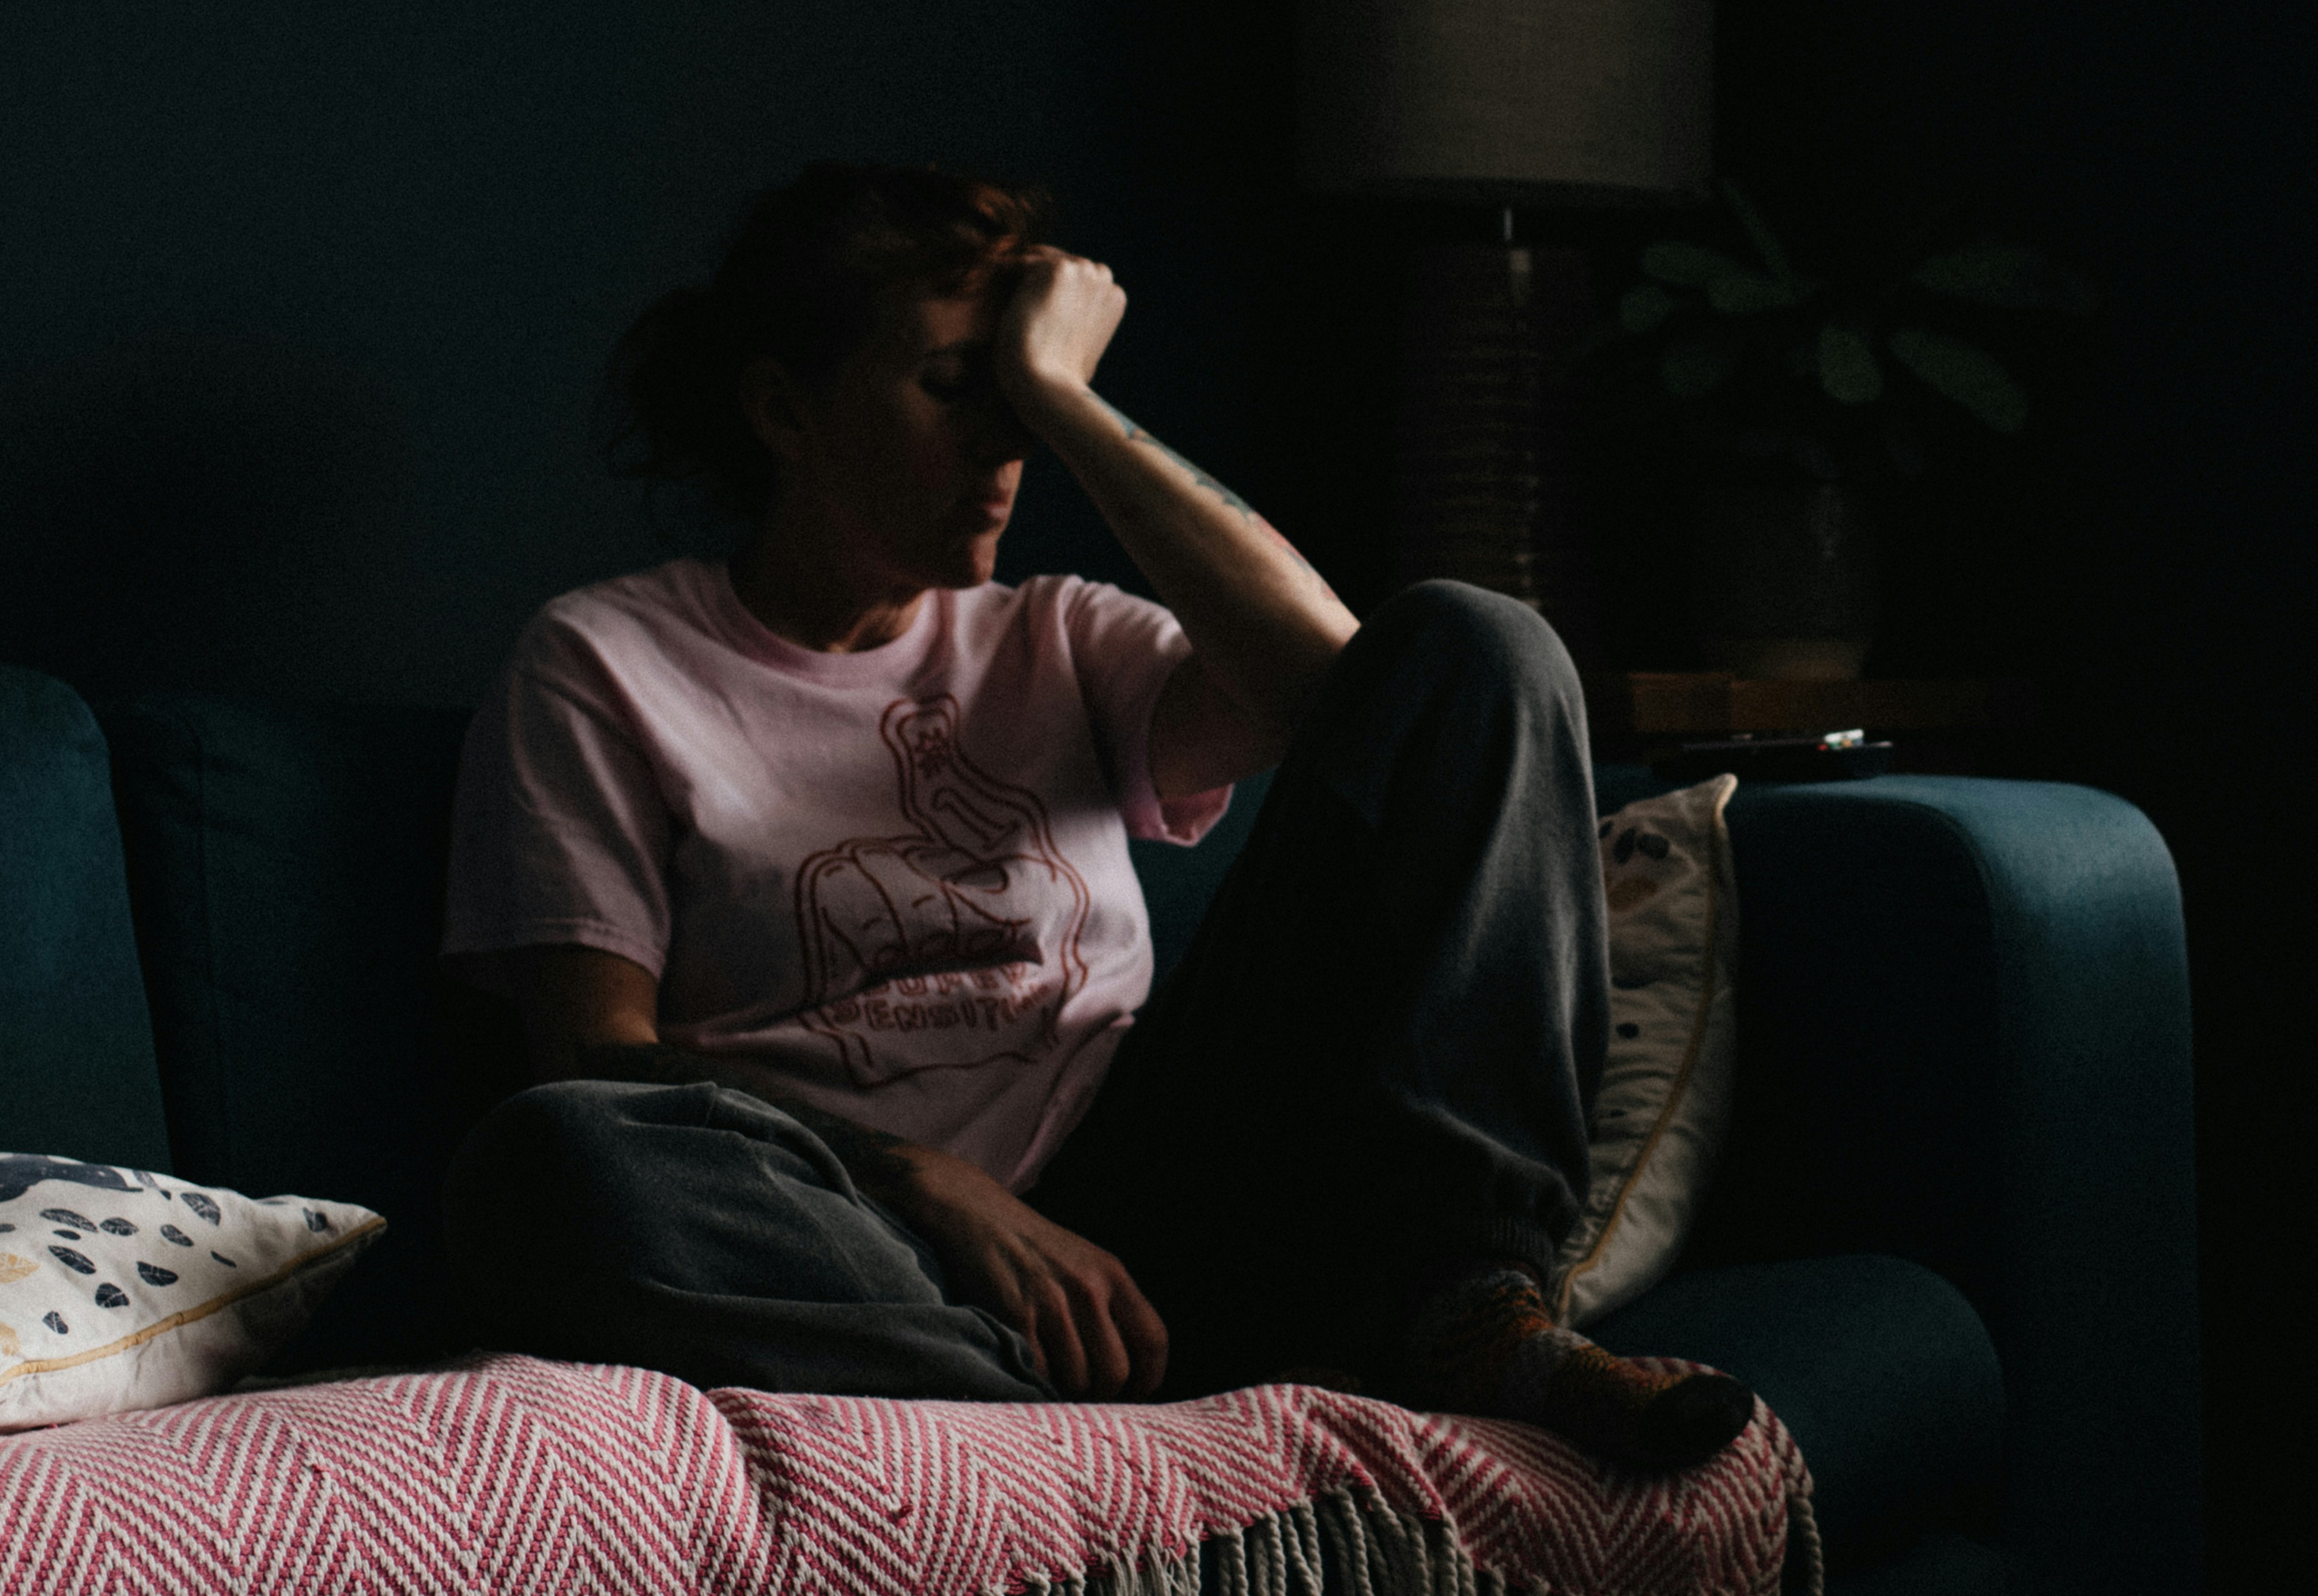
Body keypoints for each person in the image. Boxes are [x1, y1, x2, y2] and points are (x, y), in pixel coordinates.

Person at [437, 162, 1750, 1470]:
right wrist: (926, 1182)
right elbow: (594, 1054)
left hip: (1173, 1191)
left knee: (1483, 642)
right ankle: (1106, 1433)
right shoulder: (601, 664)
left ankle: (1468, 1306)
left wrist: (1067, 397)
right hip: (868, 1238)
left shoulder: (1060, 636)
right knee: (556, 1157)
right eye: (956, 388)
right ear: (785, 408)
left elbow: (1353, 689)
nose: (1003, 446)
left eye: (1017, 399)